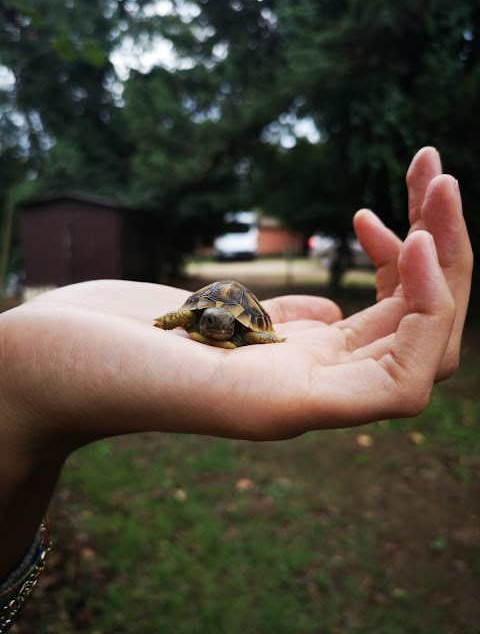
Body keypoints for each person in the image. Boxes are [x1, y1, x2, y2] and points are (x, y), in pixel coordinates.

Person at [0, 147, 473, 630]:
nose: (219, 327)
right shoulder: (197, 316)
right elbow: (181, 316)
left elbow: (254, 330)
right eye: (212, 322)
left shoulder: (239, 326)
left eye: (227, 325)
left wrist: (266, 334)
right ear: (204, 319)